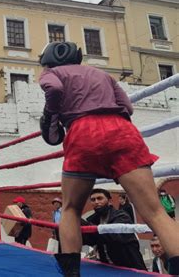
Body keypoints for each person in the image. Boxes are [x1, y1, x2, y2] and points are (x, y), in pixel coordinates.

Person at [38, 41, 179, 276]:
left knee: (71, 208)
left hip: (83, 131)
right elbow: (127, 107)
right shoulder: (101, 74)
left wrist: (52, 113)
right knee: (155, 211)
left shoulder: (52, 73)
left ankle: (71, 273)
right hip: (122, 131)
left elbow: (52, 89)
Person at [82, 188, 146, 270]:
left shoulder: (121, 216)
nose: (96, 202)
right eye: (93, 200)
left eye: (100, 198)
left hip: (129, 265)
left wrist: (86, 225)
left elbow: (114, 236)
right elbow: (89, 240)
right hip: (108, 267)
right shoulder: (92, 220)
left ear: (110, 201)